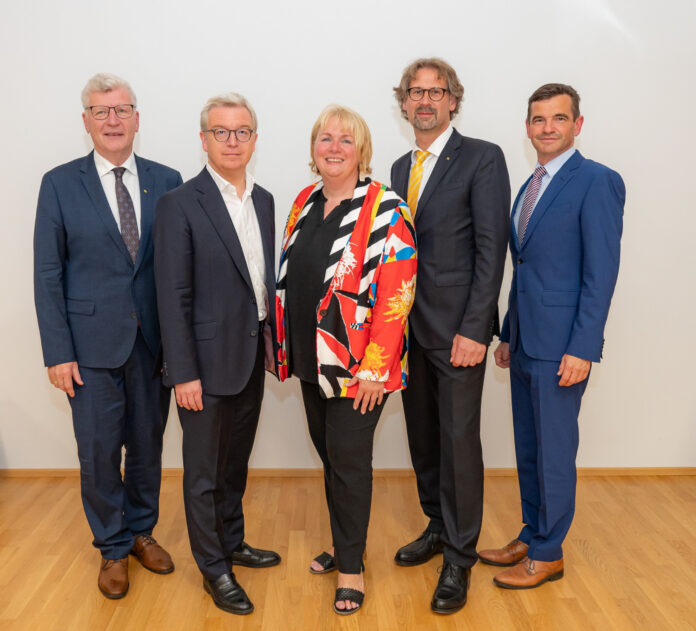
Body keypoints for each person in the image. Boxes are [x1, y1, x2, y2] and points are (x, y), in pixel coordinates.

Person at [33, 73, 182, 599]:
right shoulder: (59, 183)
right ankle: (113, 548)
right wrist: (57, 352)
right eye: (101, 111)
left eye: (122, 110)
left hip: (152, 344)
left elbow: (175, 268)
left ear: (137, 118)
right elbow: (47, 272)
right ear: (87, 122)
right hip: (89, 348)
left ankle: (142, 531)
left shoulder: (167, 180)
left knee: (146, 446)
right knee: (98, 453)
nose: (113, 120)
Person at [478, 84, 624, 589]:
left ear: (577, 124)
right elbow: (525, 269)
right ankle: (531, 532)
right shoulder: (530, 185)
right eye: (538, 119)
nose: (547, 128)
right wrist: (506, 334)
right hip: (525, 344)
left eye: (558, 119)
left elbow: (600, 274)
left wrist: (583, 347)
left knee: (555, 450)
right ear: (527, 127)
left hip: (563, 348)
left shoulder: (597, 182)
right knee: (530, 447)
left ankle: (549, 552)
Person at [275, 105, 417, 615]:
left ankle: (352, 568)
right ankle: (342, 544)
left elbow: (397, 294)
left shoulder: (387, 208)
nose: (334, 147)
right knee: (332, 458)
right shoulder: (303, 201)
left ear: (362, 150)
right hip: (313, 362)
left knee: (351, 463)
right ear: (314, 149)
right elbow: (293, 278)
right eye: (325, 139)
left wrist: (378, 368)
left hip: (360, 369)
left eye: (345, 140)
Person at [390, 58, 510, 613]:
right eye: (416, 92)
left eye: (436, 92)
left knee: (460, 443)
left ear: (453, 100)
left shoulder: (482, 158)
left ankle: (460, 558)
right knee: (424, 437)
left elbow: (492, 251)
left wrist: (476, 329)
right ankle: (437, 526)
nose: (425, 101)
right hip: (407, 334)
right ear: (404, 102)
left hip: (458, 332)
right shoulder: (396, 168)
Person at [153, 93, 280, 615]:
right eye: (222, 132)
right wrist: (182, 372)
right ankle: (214, 568)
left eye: (243, 131)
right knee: (203, 472)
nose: (233, 141)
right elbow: (172, 295)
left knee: (234, 464)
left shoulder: (266, 200)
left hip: (250, 358)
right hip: (201, 368)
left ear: (255, 138)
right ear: (203, 139)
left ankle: (232, 541)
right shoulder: (179, 203)